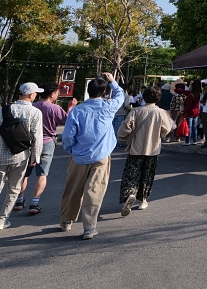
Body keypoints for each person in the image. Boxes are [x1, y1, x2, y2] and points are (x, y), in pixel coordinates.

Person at [59, 72, 125, 240]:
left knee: (73, 189)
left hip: (79, 156)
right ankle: (89, 227)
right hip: (101, 156)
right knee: (94, 191)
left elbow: (67, 136)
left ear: (88, 91)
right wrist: (112, 81)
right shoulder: (108, 107)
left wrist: (71, 149)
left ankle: (67, 220)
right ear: (103, 92)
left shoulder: (77, 111)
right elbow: (121, 95)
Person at [0, 82, 44, 237]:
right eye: (35, 93)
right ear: (30, 95)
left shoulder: (3, 110)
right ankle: (2, 221)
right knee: (13, 190)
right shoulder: (35, 113)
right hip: (20, 156)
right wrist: (35, 157)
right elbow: (37, 137)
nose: (36, 95)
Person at [15, 82, 76, 215]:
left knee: (25, 174)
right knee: (42, 174)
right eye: (57, 93)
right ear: (52, 94)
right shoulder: (55, 108)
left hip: (29, 143)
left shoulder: (33, 106)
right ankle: (34, 203)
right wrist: (70, 108)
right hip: (47, 142)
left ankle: (19, 200)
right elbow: (67, 121)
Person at [117, 84, 175, 215]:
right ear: (158, 98)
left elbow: (125, 129)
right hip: (153, 149)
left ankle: (130, 194)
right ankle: (143, 200)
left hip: (136, 148)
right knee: (147, 175)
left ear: (143, 97)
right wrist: (158, 135)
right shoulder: (161, 113)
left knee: (131, 174)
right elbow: (167, 128)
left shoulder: (136, 111)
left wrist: (123, 136)